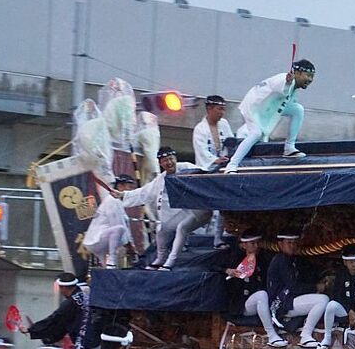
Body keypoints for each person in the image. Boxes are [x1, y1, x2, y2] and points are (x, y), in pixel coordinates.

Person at [117, 147, 206, 271]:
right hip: (180, 213)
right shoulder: (160, 179)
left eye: (171, 159)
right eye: (165, 160)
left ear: (175, 159)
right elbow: (144, 192)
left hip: (198, 210)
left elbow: (206, 174)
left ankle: (170, 262)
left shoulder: (187, 167)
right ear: (160, 163)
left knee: (182, 228)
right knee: (162, 229)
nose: (169, 162)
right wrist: (123, 195)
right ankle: (161, 258)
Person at [223, 59, 316, 174]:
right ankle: (231, 165)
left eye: (312, 76)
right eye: (308, 75)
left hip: (268, 106)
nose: (310, 80)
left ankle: (289, 147)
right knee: (256, 133)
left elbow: (285, 100)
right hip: (253, 106)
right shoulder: (285, 80)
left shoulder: (295, 86)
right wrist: (287, 83)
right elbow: (284, 91)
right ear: (297, 73)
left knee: (298, 109)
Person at [22, 273, 100, 349]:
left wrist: (31, 329)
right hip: (99, 338)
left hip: (88, 344)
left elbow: (53, 320)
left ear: (62, 287)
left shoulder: (69, 304)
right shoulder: (87, 292)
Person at [266, 229, 328, 348]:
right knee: (322, 300)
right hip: (281, 305)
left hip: (290, 300)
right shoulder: (281, 260)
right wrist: (316, 287)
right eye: (289, 243)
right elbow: (294, 287)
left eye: (294, 243)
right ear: (280, 244)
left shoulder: (292, 259)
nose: (292, 246)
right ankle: (306, 335)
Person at [223, 232, 285, 347]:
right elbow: (213, 265)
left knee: (265, 296)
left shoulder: (263, 260)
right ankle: (271, 335)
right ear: (244, 245)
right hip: (242, 305)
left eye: (257, 243)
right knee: (261, 295)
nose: (256, 246)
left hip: (263, 302)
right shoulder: (235, 258)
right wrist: (227, 270)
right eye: (252, 243)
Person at [193, 95, 235, 248]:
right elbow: (201, 152)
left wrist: (228, 156)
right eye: (219, 109)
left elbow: (231, 142)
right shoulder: (200, 129)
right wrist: (214, 160)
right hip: (207, 172)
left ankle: (218, 239)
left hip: (222, 171)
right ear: (209, 109)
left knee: (222, 207)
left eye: (223, 109)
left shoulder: (224, 124)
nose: (222, 113)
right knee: (204, 210)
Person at [83, 177, 132, 269]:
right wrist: (129, 244)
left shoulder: (117, 201)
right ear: (120, 186)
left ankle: (109, 264)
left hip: (104, 239)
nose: (131, 190)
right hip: (98, 239)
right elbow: (117, 223)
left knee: (108, 271)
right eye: (129, 187)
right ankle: (111, 259)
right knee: (119, 228)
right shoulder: (112, 200)